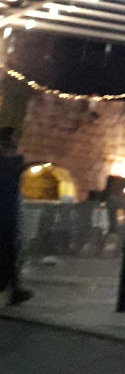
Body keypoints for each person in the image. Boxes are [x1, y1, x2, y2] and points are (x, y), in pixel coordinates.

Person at [0, 126, 33, 305]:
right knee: (7, 250)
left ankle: (13, 289)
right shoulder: (13, 162)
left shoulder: (16, 161)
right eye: (14, 138)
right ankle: (13, 289)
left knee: (9, 251)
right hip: (6, 210)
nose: (17, 141)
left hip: (9, 209)